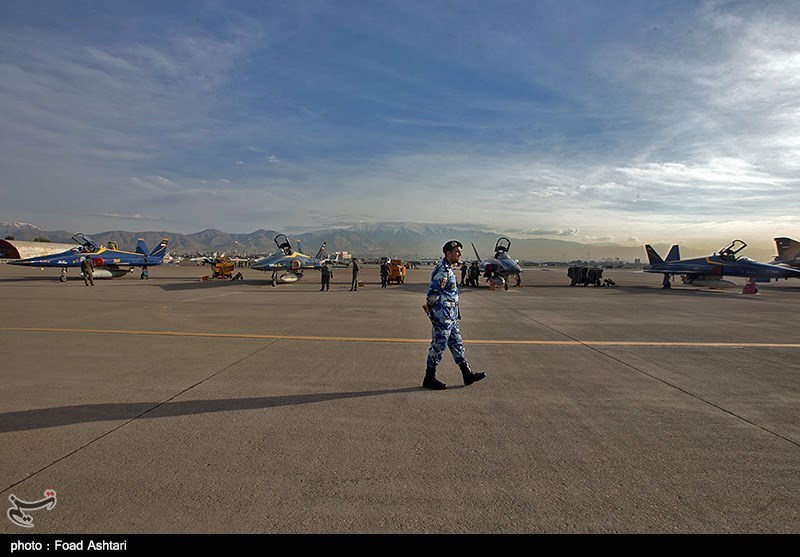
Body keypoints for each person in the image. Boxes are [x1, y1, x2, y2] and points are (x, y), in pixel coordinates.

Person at [422, 240, 486, 390]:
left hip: (451, 317)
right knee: (438, 346)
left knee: (457, 344)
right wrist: (432, 312)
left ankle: (467, 374)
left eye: (460, 252)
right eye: (457, 252)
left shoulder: (449, 269)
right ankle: (429, 378)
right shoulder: (443, 271)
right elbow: (432, 293)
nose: (459, 254)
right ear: (448, 253)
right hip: (442, 317)